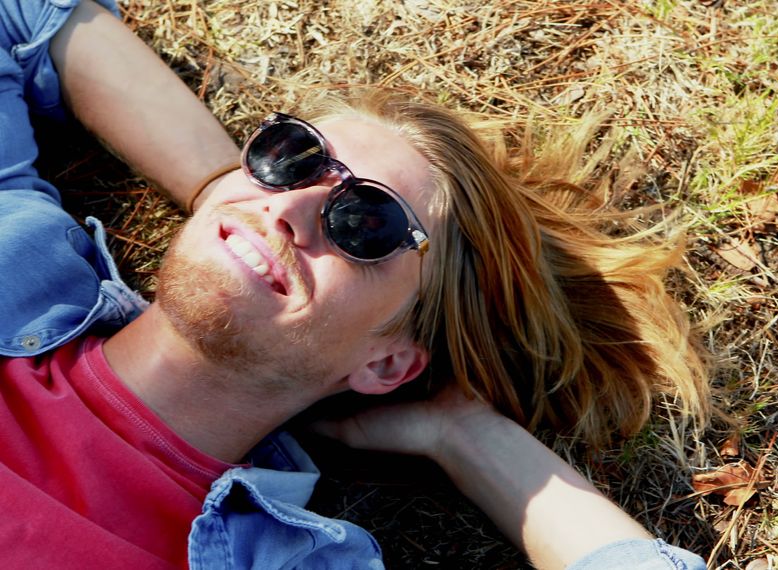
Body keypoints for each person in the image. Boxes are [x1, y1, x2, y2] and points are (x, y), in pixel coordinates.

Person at [0, 1, 710, 568]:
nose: (286, 208)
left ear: (388, 361)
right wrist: (221, 190)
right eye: (291, 157)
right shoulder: (17, 246)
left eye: (365, 223)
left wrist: (465, 436)